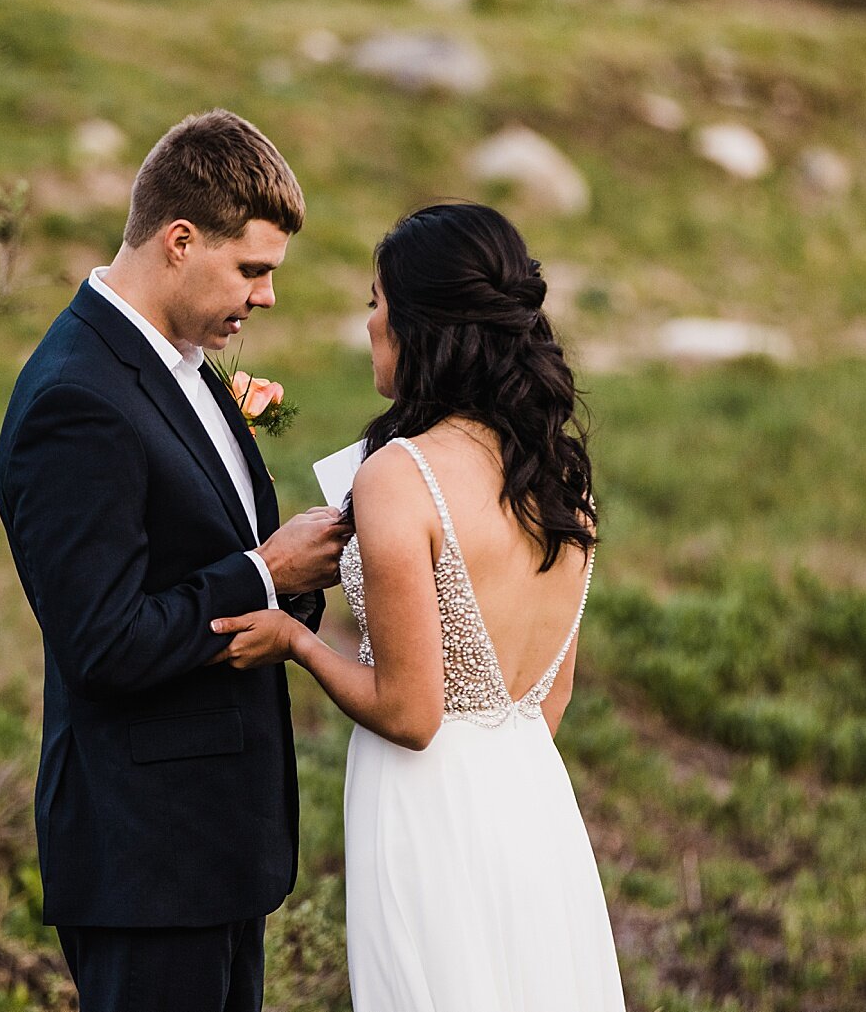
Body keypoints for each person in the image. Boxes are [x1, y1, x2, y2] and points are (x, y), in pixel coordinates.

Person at [213, 202, 627, 1010]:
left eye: (375, 302)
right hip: (531, 798)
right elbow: (552, 698)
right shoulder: (558, 475)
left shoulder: (400, 476)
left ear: (419, 324)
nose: (369, 323)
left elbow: (411, 712)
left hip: (426, 806)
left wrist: (296, 643)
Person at [0, 109, 350, 1012]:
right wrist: (268, 573)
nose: (267, 296)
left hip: (220, 846)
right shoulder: (77, 399)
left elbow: (210, 548)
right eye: (253, 269)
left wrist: (295, 581)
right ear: (180, 240)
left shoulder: (185, 360)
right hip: (146, 858)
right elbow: (103, 641)